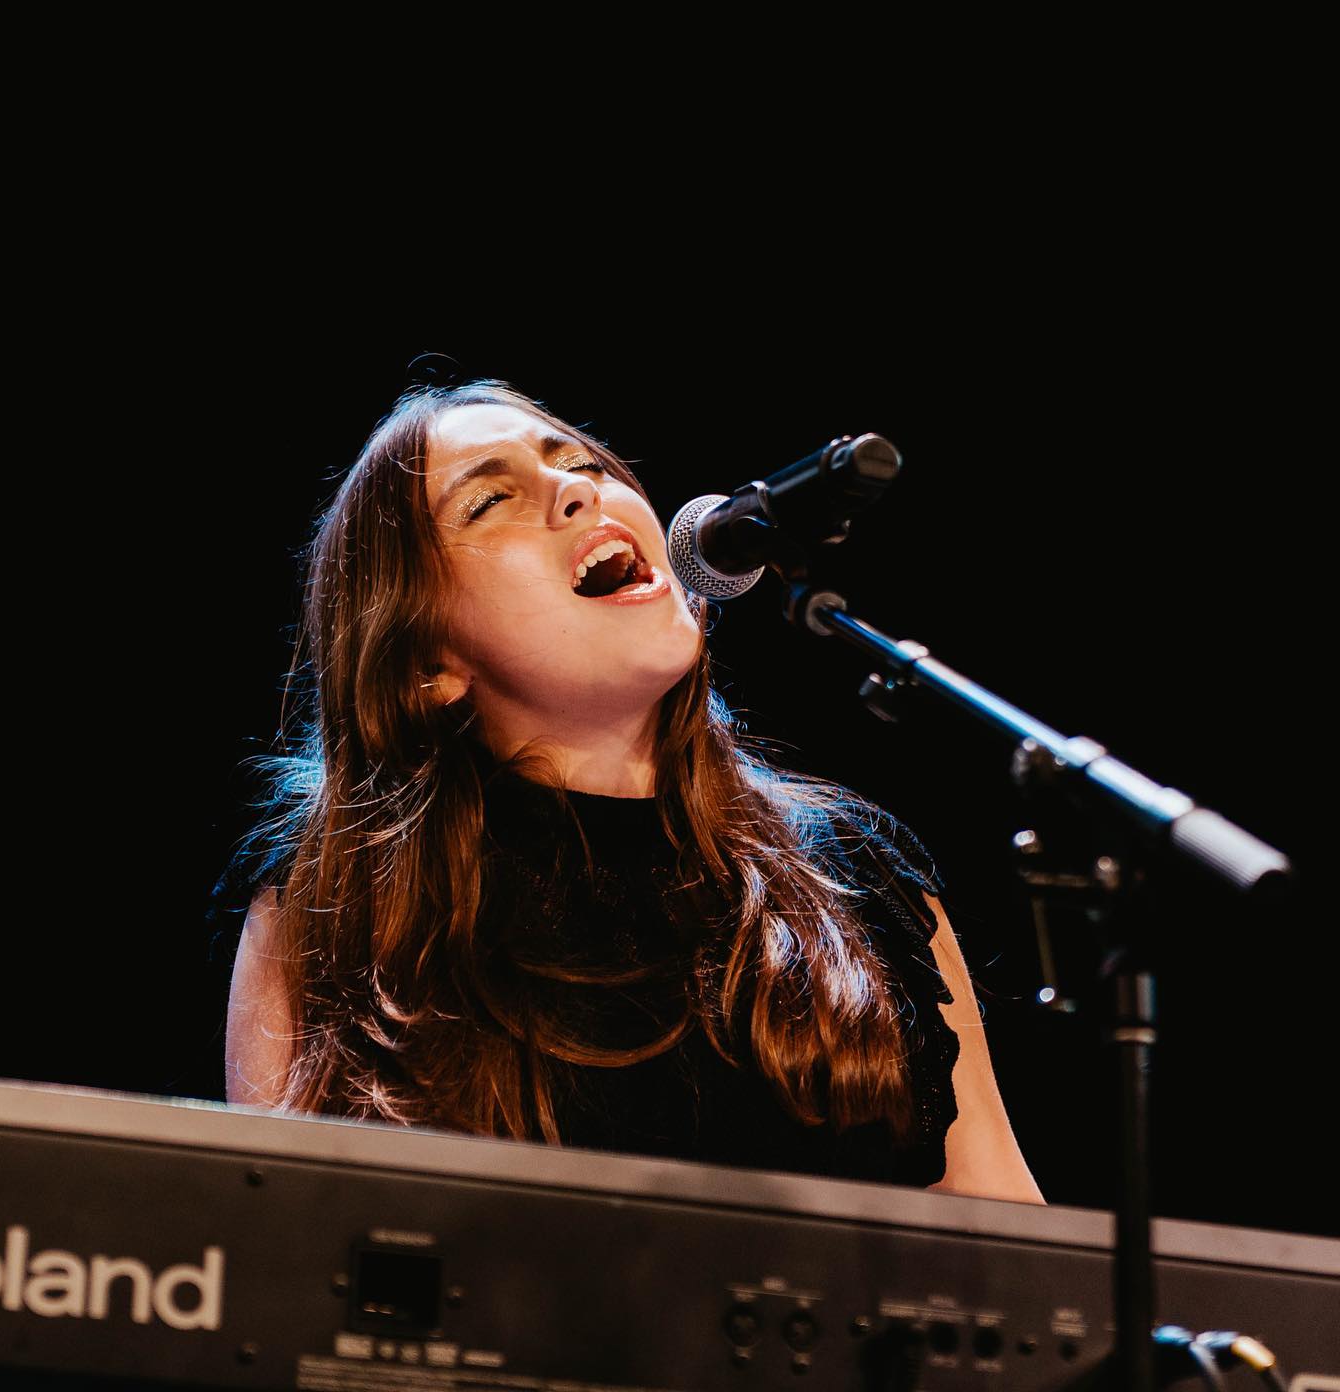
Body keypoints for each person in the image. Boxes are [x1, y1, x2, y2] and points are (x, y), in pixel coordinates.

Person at [216, 379, 1045, 1204]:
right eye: (491, 500)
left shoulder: (854, 875)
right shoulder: (339, 899)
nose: (576, 489)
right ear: (428, 667)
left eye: (583, 465)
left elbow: (1005, 1235)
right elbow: (280, 1239)